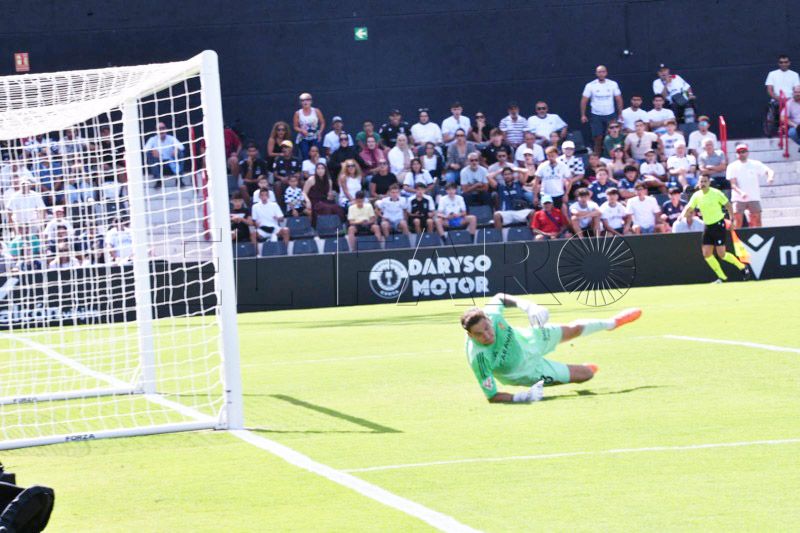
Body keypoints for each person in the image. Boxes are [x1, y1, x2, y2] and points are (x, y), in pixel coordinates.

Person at [462, 293, 642, 402]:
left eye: (487, 328)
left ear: (488, 319)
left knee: (574, 329)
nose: (487, 336)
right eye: (479, 334)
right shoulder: (479, 358)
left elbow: (500, 297)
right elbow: (492, 396)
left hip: (529, 339)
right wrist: (521, 397)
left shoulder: (492, 314)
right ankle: (582, 369)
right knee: (586, 375)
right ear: (470, 335)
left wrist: (528, 306)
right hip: (526, 371)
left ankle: (612, 323)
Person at [678, 174, 752, 283]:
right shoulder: (697, 195)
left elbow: (728, 205)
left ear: (709, 183)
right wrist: (682, 215)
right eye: (701, 181)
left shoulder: (716, 193)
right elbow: (689, 207)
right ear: (698, 183)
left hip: (718, 225)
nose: (703, 183)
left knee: (722, 254)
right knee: (706, 254)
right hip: (707, 226)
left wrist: (732, 220)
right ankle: (722, 277)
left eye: (705, 181)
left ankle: (742, 267)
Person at [726, 143, 774, 228]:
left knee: (757, 221)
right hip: (738, 198)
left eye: (743, 151)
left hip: (753, 197)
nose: (741, 154)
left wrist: (770, 177)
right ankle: (737, 237)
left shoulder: (755, 164)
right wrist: (741, 193)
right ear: (736, 154)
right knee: (738, 222)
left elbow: (769, 171)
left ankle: (759, 236)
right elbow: (733, 184)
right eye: (739, 152)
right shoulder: (732, 166)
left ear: (747, 152)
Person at [580, 65, 623, 156]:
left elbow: (619, 99)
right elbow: (584, 101)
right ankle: (597, 157)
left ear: (606, 73)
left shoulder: (613, 84)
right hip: (596, 115)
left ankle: (614, 157)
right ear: (596, 73)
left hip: (610, 114)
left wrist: (620, 113)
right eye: (599, 72)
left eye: (603, 72)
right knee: (598, 137)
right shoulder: (590, 85)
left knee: (613, 135)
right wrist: (583, 115)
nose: (601, 74)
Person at [144, 122, 184, 188]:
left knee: (180, 152)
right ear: (156, 131)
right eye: (159, 129)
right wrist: (152, 150)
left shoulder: (171, 138)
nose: (161, 130)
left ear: (166, 129)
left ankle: (179, 179)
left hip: (171, 164)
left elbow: (181, 147)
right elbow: (145, 149)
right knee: (149, 154)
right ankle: (159, 180)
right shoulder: (152, 139)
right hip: (159, 165)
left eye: (163, 128)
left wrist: (176, 149)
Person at [535, 146, 572, 216]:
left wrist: (566, 194)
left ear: (557, 155)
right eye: (549, 156)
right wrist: (535, 196)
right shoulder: (542, 166)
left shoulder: (563, 166)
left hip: (559, 194)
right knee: (546, 215)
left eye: (553, 156)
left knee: (562, 214)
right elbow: (536, 182)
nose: (551, 158)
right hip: (546, 195)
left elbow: (569, 181)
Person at [293, 92, 326, 161]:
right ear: (300, 102)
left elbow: (322, 122)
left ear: (311, 101)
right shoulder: (298, 113)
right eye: (303, 100)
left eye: (307, 100)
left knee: (316, 154)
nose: (305, 102)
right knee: (305, 155)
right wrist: (301, 130)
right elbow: (295, 127)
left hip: (315, 136)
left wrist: (320, 132)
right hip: (303, 137)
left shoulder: (316, 111)